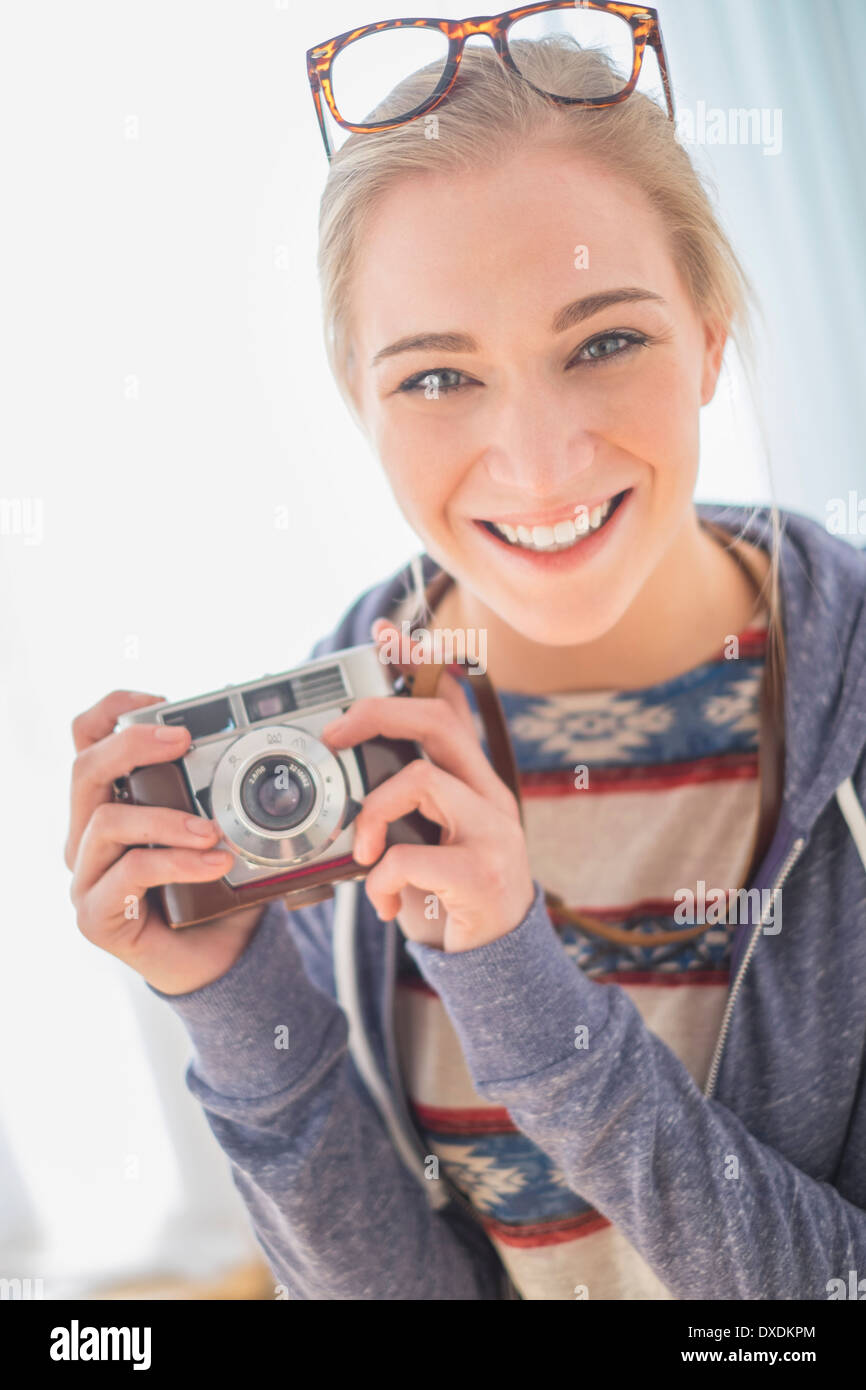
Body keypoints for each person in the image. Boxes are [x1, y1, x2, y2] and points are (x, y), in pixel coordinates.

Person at [65, 34, 866, 1300]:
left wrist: (517, 986)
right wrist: (228, 995)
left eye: (603, 342)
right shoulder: (329, 758)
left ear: (712, 336)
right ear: (359, 404)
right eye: (437, 375)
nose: (537, 463)